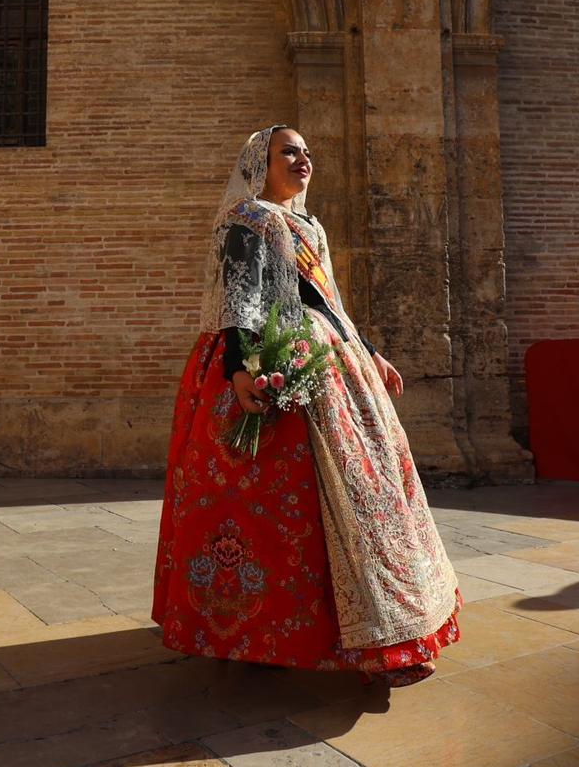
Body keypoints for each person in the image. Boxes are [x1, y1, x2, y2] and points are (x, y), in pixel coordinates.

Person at [152, 126, 461, 685]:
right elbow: (239, 297)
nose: (303, 161)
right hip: (268, 360)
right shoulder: (249, 220)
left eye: (307, 153)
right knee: (272, 507)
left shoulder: (308, 225)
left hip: (328, 358)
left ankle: (390, 632)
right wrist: (242, 368)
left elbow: (329, 301)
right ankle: (263, 633)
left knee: (367, 491)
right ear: (258, 163)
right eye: (288, 152)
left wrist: (369, 351)